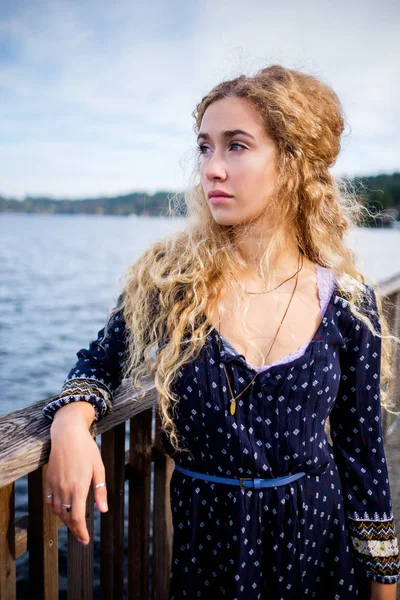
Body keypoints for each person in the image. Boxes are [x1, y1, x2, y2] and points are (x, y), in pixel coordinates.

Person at [42, 64, 400, 599]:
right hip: (209, 551)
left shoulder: (347, 301)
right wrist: (70, 425)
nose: (211, 168)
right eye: (205, 147)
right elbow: (99, 361)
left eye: (236, 146)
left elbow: (364, 455)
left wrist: (384, 588)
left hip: (317, 551)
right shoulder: (171, 278)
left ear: (293, 162)